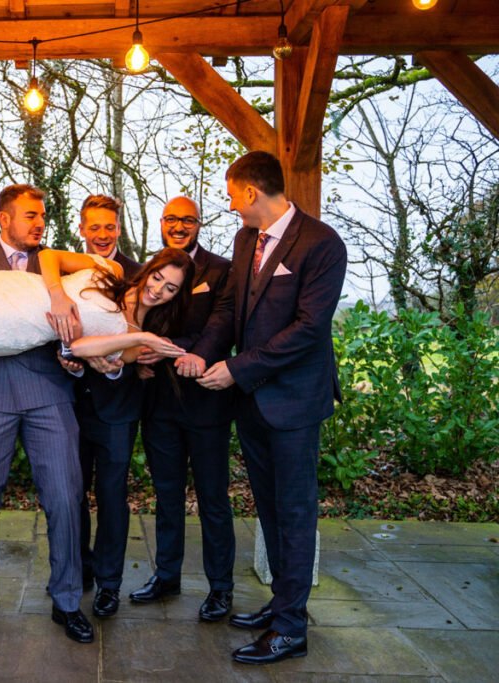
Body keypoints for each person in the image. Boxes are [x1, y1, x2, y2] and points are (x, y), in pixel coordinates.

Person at [0, 185, 182, 645]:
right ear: (4, 219)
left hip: (50, 390)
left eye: (43, 216)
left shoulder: (59, 262)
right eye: (30, 216)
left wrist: (73, 356)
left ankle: (68, 600)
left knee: (65, 496)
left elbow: (89, 320)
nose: (38, 224)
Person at [183, 152, 347, 664]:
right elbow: (231, 307)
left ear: (251, 192)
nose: (231, 206)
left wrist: (238, 368)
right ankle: (282, 603)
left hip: (294, 401)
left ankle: (292, 629)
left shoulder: (321, 244)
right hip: (252, 401)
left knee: (295, 512)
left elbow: (308, 329)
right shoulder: (245, 239)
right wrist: (202, 353)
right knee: (270, 507)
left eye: (233, 195)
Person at [129, 196, 237, 624]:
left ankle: (221, 588)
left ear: (199, 224)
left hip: (206, 400)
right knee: (166, 495)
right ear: (161, 223)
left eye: (187, 220)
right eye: (172, 218)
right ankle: (167, 575)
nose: (179, 225)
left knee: (213, 498)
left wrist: (182, 351)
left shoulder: (220, 270)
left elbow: (220, 325)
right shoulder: (148, 272)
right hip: (158, 403)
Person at [61, 194, 143, 619]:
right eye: (94, 226)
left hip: (118, 402)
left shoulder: (137, 276)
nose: (101, 234)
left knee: (112, 495)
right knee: (71, 493)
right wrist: (68, 357)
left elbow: (142, 335)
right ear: (81, 228)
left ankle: (110, 583)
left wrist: (116, 364)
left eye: (109, 226)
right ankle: (80, 570)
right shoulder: (63, 270)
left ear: (118, 228)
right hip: (71, 401)